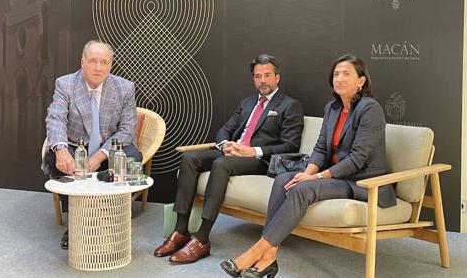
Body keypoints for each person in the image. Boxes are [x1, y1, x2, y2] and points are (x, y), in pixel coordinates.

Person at [220, 54, 396, 278]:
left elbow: (358, 158)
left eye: (346, 74)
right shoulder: (331, 108)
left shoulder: (370, 109)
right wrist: (306, 173)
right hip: (336, 177)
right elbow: (321, 148)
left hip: (362, 182)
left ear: (361, 81)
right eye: (336, 74)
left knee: (304, 188)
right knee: (285, 179)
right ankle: (269, 257)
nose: (339, 78)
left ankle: (255, 252)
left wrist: (317, 178)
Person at [154, 54, 305, 264]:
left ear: (277, 77)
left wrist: (253, 151)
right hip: (233, 153)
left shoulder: (290, 105)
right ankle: (180, 230)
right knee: (190, 157)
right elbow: (226, 129)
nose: (262, 81)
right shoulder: (248, 102)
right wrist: (225, 145)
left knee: (221, 164)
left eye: (267, 75)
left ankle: (202, 238)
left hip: (260, 160)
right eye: (257, 76)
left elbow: (290, 146)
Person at [41, 40, 142, 249]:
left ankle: (104, 214)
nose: (98, 67)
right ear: (82, 62)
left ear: (110, 66)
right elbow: (56, 119)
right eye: (93, 61)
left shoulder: (125, 88)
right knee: (52, 157)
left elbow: (126, 130)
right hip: (75, 146)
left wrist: (100, 156)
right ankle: (76, 222)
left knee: (134, 156)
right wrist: (60, 149)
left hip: (108, 148)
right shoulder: (65, 84)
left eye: (104, 62)